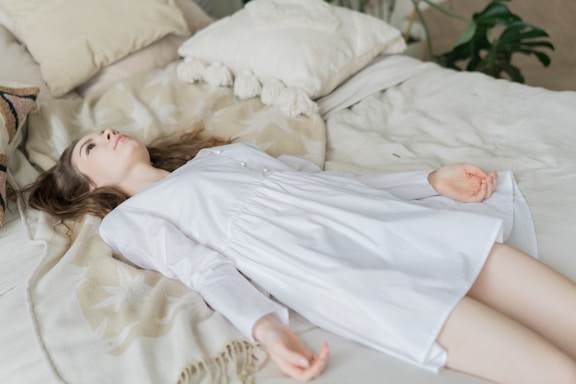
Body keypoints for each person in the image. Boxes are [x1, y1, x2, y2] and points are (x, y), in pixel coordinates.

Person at [24, 128, 576, 384]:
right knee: (555, 372)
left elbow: (334, 185)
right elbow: (204, 270)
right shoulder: (128, 222)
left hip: (405, 227)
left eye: (102, 129)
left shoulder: (224, 156)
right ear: (90, 186)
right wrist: (267, 329)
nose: (109, 132)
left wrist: (429, 181)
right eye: (91, 146)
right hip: (347, 274)